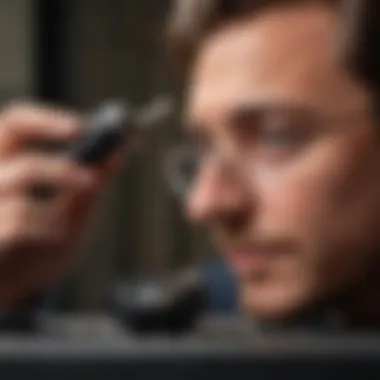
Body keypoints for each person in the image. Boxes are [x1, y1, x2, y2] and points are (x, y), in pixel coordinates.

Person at [1, 0, 380, 330]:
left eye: (276, 136)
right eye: (203, 149)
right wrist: (8, 295)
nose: (204, 203)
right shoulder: (209, 312)